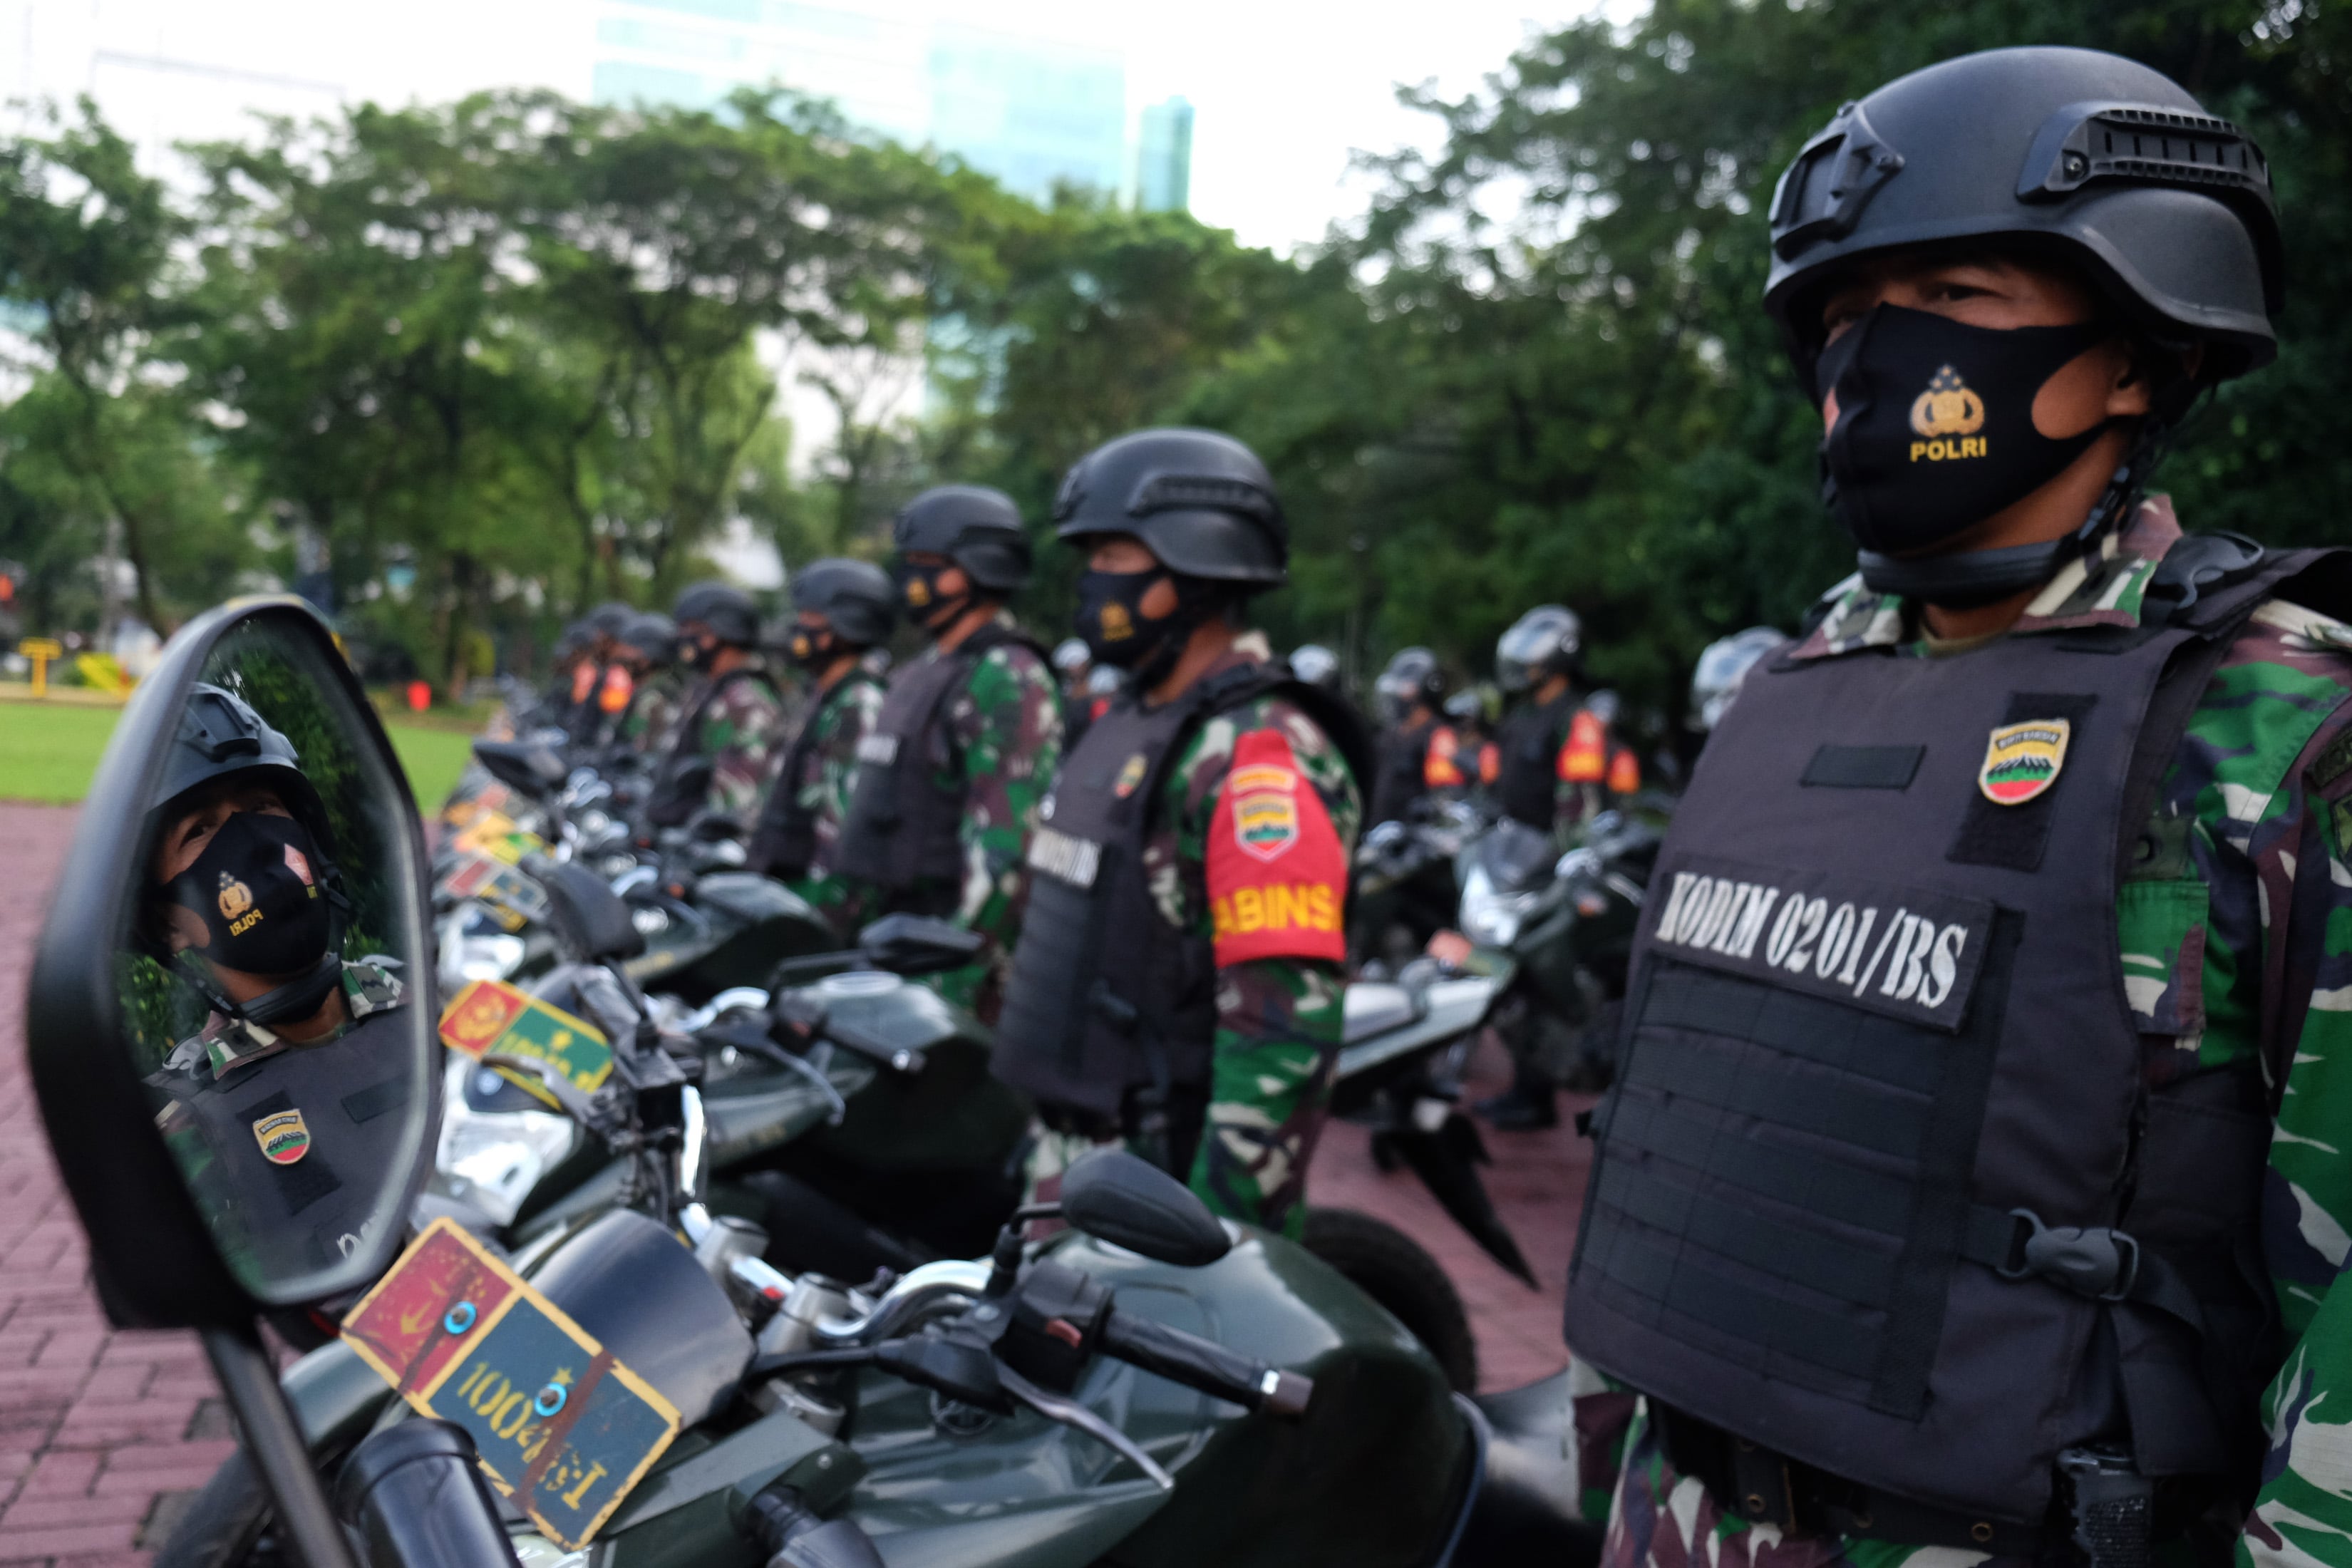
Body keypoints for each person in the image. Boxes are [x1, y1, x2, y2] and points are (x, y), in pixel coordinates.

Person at [1563, 47, 2352, 1566]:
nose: (1876, 358)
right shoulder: (1790, 694)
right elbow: (1679, 1157)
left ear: (2140, 356)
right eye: (1846, 315)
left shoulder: (2278, 726)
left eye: (1956, 301)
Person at [994, 428, 1371, 1239]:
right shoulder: (1128, 718)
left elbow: (1281, 1034)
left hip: (1155, 1203)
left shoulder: (1257, 754)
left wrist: (1220, 1250)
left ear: (1198, 566)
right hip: (1072, 1171)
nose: (1092, 580)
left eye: (1114, 556)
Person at [140, 685, 411, 1276]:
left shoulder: (432, 1005)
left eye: (263, 806)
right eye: (200, 831)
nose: (253, 844)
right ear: (168, 926)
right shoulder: (191, 1127)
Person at [829, 485, 1063, 1013]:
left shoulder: (1007, 676)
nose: (914, 581)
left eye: (931, 565)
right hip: (887, 948)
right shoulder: (920, 671)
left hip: (946, 970)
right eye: (910, 564)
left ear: (984, 568)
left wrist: (952, 985)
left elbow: (1005, 853)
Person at [746, 559, 892, 937]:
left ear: (846, 624)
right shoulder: (824, 695)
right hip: (786, 891)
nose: (798, 629)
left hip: (816, 908)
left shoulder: (858, 703)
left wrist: (819, 924)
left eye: (809, 617)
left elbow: (843, 829)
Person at [643, 582, 788, 835]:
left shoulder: (746, 702)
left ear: (725, 633)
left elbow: (734, 806)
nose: (683, 638)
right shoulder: (708, 689)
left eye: (694, 629)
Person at [1492, 604, 1633, 840]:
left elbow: (1578, 806)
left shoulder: (1576, 719)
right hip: (1512, 844)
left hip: (1547, 853)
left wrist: (1566, 851)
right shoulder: (1520, 715)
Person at [1368, 646, 1450, 827]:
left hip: (1416, 842)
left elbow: (1444, 796)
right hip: (1380, 835)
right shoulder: (1387, 737)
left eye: (1405, 688)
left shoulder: (1439, 737)